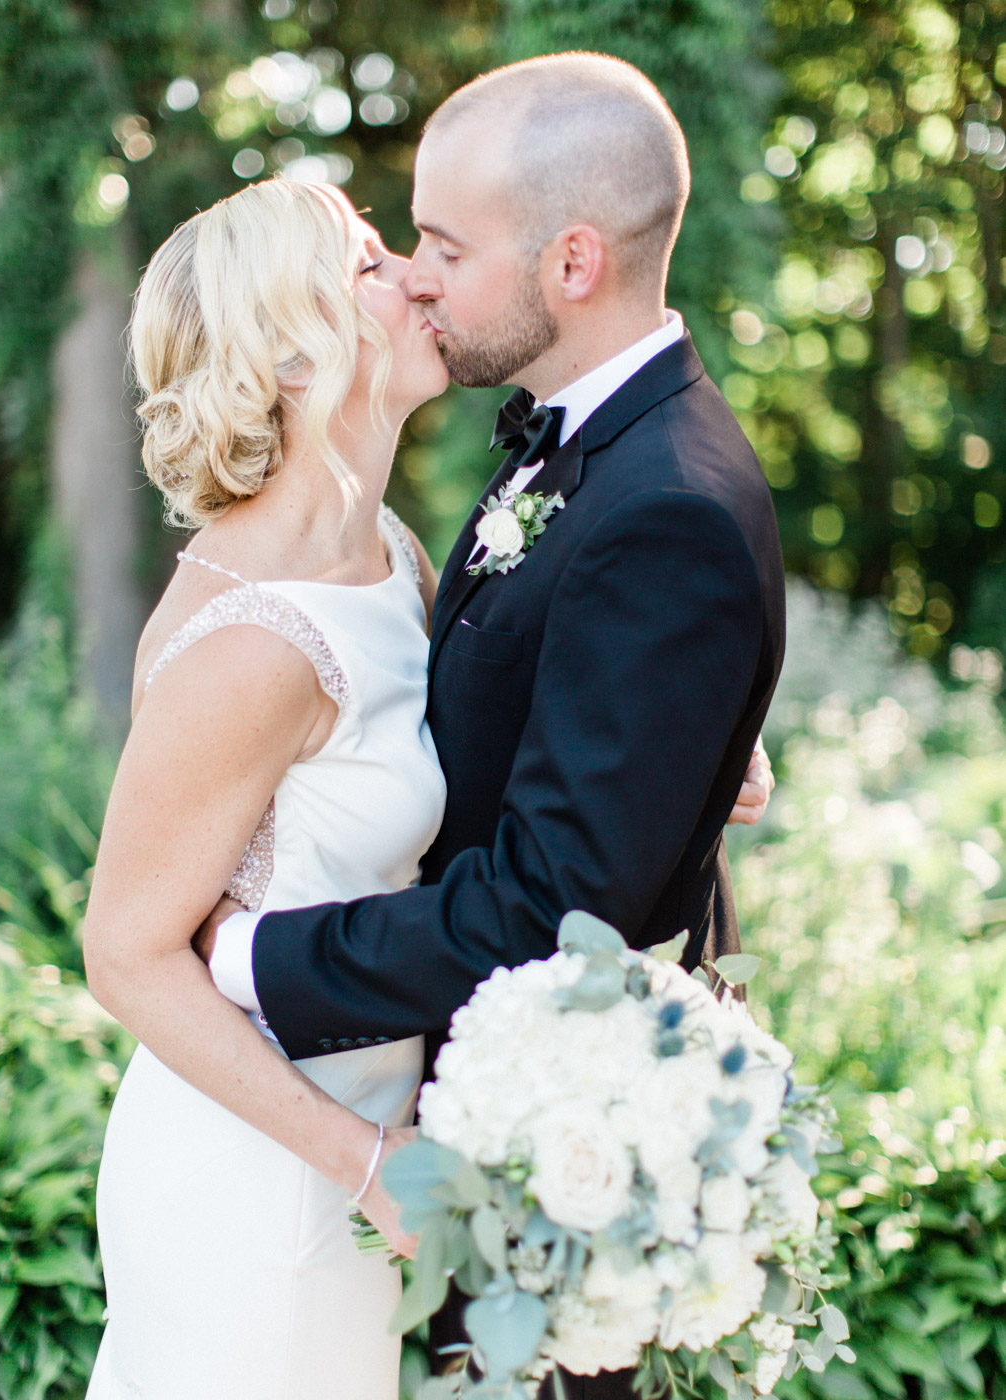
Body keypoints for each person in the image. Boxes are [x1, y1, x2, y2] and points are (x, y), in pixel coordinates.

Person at [200, 52, 787, 1400]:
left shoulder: (664, 507)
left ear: (570, 263)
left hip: (561, 1142)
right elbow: (545, 707)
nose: (413, 273)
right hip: (469, 1102)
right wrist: (683, 754)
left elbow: (549, 906)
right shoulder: (577, 442)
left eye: (445, 246)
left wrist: (249, 959)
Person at [83, 177, 450, 1399]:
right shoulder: (251, 643)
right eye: (365, 263)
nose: (412, 273)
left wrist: (698, 756)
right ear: (291, 355)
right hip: (259, 1175)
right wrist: (361, 1161)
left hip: (369, 1145)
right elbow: (127, 951)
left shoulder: (392, 555)